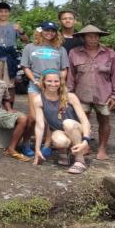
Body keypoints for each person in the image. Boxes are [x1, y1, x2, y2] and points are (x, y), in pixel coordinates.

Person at [67, 25, 115, 160]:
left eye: (96, 36)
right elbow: (70, 75)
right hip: (81, 94)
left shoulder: (110, 53)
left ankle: (102, 148)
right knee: (81, 120)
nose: (93, 39)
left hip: (104, 95)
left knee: (104, 121)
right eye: (89, 36)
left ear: (100, 37)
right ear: (83, 37)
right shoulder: (74, 53)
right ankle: (84, 146)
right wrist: (69, 93)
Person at [20, 20, 69, 157]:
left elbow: (64, 69)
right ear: (41, 31)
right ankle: (26, 143)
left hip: (54, 87)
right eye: (47, 30)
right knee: (34, 117)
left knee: (50, 118)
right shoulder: (30, 47)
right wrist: (35, 81)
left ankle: (47, 144)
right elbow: (25, 66)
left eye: (53, 31)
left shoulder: (60, 49)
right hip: (36, 86)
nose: (50, 33)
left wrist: (60, 83)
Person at [32, 70, 92, 174]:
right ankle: (63, 152)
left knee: (67, 123)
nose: (53, 84)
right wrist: (37, 149)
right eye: (49, 81)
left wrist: (86, 140)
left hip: (77, 129)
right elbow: (40, 126)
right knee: (59, 140)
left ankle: (80, 160)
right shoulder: (38, 99)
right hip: (60, 131)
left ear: (61, 82)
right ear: (43, 82)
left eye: (56, 81)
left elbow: (85, 121)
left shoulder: (71, 97)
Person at [0, 2, 29, 105]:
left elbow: (26, 40)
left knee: (10, 84)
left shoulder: (14, 26)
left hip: (10, 57)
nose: (3, 14)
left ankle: (10, 106)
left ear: (9, 13)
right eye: (0, 12)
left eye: (5, 11)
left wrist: (21, 30)